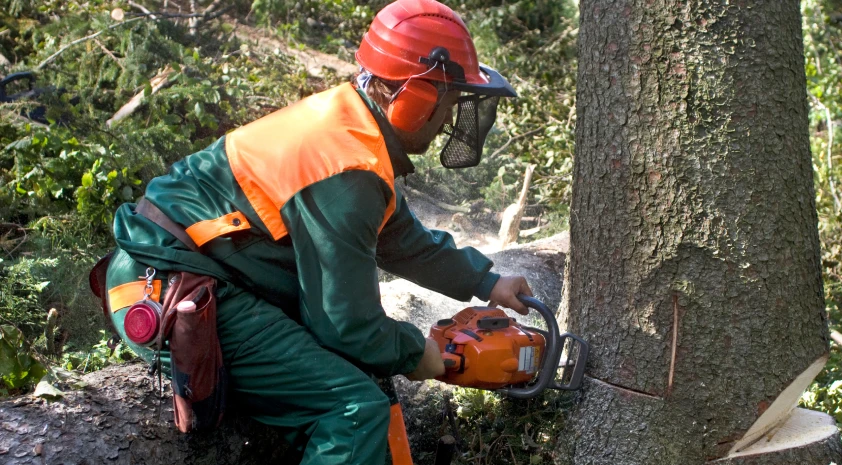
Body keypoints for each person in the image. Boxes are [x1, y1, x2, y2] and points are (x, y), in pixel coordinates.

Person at [98, 0, 533, 463]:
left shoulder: (351, 135)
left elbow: (404, 241)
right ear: (415, 95)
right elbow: (347, 327)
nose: (448, 120)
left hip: (203, 272)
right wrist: (417, 354)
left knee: (360, 380)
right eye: (447, 103)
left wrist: (488, 282)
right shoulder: (348, 169)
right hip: (174, 288)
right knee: (353, 410)